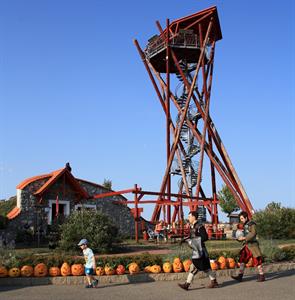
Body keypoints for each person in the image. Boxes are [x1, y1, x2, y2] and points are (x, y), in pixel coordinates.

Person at [178, 211, 218, 290]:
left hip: (201, 251)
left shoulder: (200, 226)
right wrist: (184, 240)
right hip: (198, 251)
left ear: (194, 217)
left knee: (195, 266)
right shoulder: (193, 226)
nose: (188, 218)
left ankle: (187, 284)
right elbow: (191, 236)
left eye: (189, 216)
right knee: (206, 268)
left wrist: (195, 241)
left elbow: (205, 237)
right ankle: (214, 282)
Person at [231, 211, 265, 282]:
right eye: (240, 219)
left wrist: (244, 238)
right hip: (246, 245)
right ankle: (240, 276)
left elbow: (253, 233)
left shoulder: (252, 224)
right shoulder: (244, 225)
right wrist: (238, 238)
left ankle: (262, 275)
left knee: (257, 260)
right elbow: (243, 235)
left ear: (246, 217)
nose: (241, 220)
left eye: (242, 218)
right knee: (242, 259)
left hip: (253, 245)